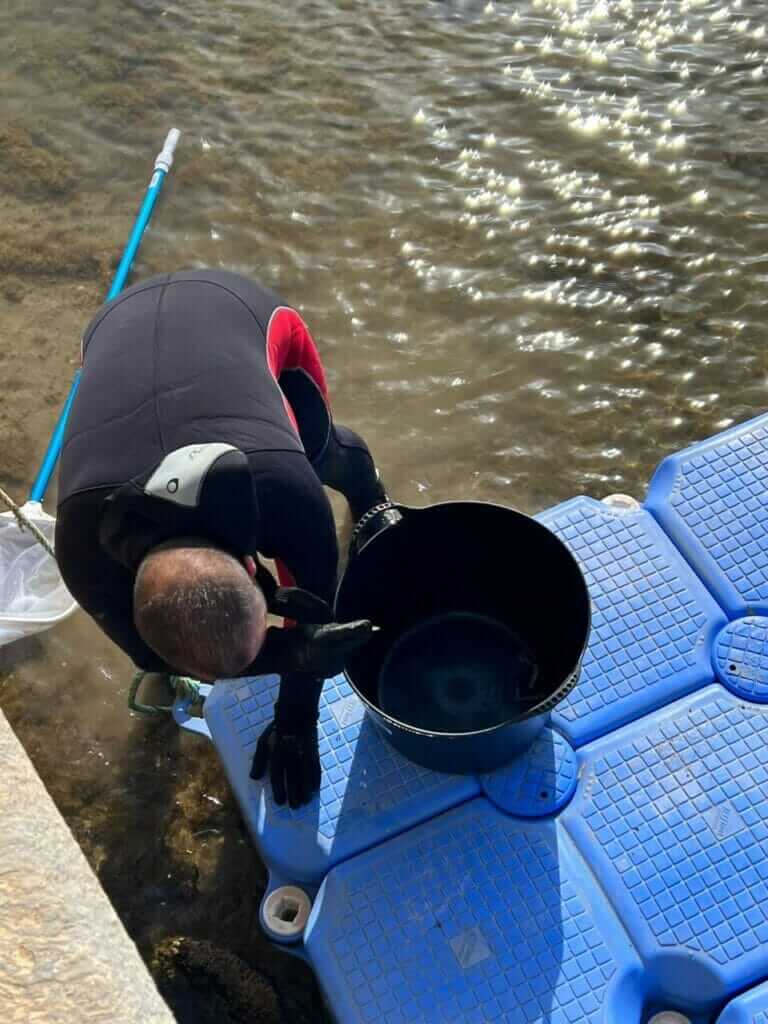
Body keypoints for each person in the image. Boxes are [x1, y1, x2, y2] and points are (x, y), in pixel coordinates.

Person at [55, 269, 388, 808]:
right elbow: (153, 654)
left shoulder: (287, 492)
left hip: (237, 310)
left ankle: (371, 493)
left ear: (255, 570)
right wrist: (295, 651)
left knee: (322, 449)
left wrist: (296, 718)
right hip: (113, 326)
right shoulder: (82, 553)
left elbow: (315, 603)